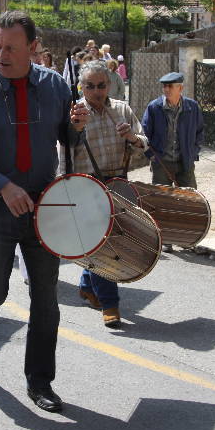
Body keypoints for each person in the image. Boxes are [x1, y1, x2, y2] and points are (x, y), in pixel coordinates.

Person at [0, 11, 89, 413]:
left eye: (10, 47)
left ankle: (40, 382)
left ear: (32, 48)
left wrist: (76, 124)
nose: (1, 54)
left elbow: (67, 136)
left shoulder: (54, 86)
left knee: (46, 301)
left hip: (44, 206)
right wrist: (4, 185)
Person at [64, 60, 147, 328]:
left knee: (108, 243)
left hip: (118, 187)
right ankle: (110, 304)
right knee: (105, 246)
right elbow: (64, 157)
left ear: (109, 85)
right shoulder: (75, 115)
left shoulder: (122, 110)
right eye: (90, 86)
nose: (97, 91)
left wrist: (132, 138)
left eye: (101, 85)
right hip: (88, 189)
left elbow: (144, 145)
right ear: (81, 87)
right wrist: (65, 190)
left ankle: (88, 285)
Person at [141, 72, 204, 251]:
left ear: (180, 88)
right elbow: (145, 134)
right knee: (162, 202)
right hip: (161, 162)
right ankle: (165, 239)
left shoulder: (192, 107)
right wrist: (151, 156)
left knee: (189, 201)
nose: (166, 89)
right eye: (164, 86)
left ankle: (186, 239)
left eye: (170, 86)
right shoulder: (154, 107)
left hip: (185, 161)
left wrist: (193, 152)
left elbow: (200, 132)